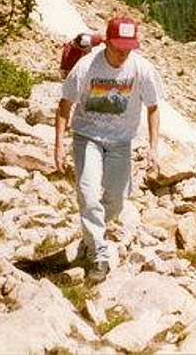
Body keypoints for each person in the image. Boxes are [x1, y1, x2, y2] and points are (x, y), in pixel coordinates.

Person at [54, 15, 163, 283]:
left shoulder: (142, 69)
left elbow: (153, 107)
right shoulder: (87, 66)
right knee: (88, 193)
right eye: (119, 47)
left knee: (116, 198)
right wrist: (58, 145)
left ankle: (91, 236)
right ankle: (99, 255)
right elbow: (65, 104)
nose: (124, 52)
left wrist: (153, 147)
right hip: (87, 136)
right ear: (107, 43)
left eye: (129, 47)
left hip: (121, 141)